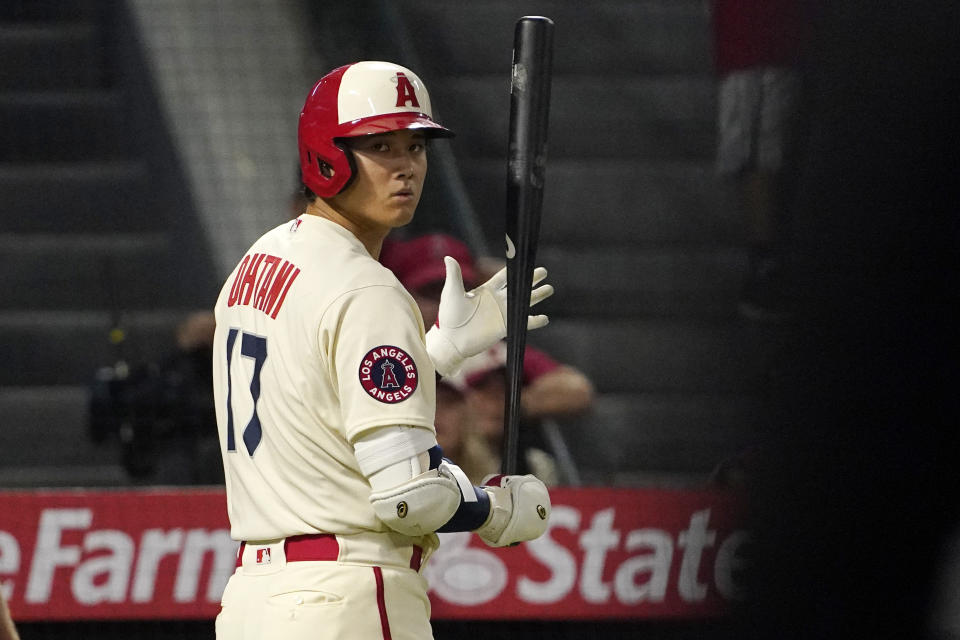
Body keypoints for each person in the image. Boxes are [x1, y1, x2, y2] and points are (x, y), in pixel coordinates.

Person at [212, 61, 555, 640]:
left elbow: (320, 400)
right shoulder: (369, 289)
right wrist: (494, 509)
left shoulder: (260, 260)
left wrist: (434, 353)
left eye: (415, 147)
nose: (406, 168)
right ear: (327, 155)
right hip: (345, 600)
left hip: (255, 601)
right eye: (380, 146)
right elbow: (410, 498)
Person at [381, 232, 595, 483]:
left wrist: (510, 405)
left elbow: (577, 390)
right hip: (402, 472)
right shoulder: (384, 350)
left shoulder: (489, 349)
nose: (445, 302)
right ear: (404, 294)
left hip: (481, 475)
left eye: (460, 290)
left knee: (538, 468)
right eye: (431, 292)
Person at [711, 0, 810, 320]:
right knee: (761, 156)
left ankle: (767, 266)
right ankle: (763, 268)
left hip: (779, 41)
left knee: (771, 154)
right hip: (755, 46)